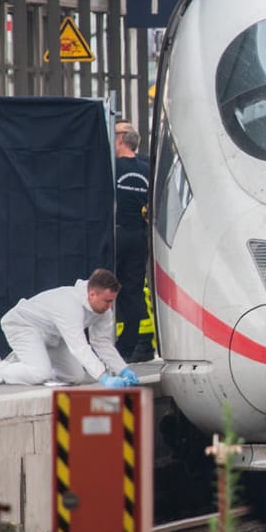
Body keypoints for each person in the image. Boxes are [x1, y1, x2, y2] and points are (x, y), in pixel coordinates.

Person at [0, 270, 137, 387]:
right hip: (22, 325)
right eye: (107, 301)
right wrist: (104, 378)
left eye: (112, 300)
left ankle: (28, 363)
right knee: (39, 374)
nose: (110, 306)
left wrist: (123, 370)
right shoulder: (70, 306)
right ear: (92, 294)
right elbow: (79, 346)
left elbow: (102, 343)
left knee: (75, 377)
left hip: (52, 335)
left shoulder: (103, 311)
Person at [113, 121, 155, 363]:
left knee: (106, 286)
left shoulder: (114, 167)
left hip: (117, 234)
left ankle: (108, 344)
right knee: (134, 289)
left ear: (120, 139)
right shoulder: (147, 167)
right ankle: (129, 347)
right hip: (140, 235)